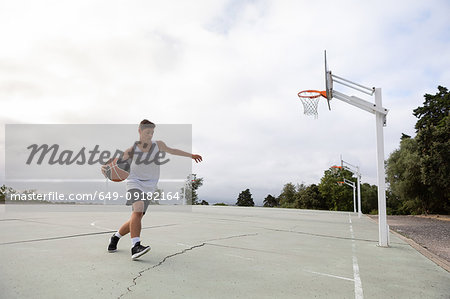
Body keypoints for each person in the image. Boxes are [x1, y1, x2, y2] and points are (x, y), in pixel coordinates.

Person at [102, 119, 202, 260]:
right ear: (140, 131)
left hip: (150, 186)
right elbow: (113, 164)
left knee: (137, 217)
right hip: (134, 182)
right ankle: (135, 246)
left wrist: (191, 155)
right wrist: (105, 169)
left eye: (152, 132)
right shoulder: (131, 150)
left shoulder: (158, 145)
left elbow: (173, 151)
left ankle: (115, 237)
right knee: (137, 211)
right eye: (147, 132)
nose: (150, 135)